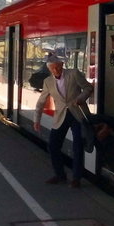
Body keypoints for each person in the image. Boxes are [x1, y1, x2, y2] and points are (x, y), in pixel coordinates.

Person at [33, 52, 93, 187]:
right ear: (49, 69)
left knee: (78, 146)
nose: (56, 70)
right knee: (53, 145)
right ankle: (60, 175)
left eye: (58, 67)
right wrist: (37, 120)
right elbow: (41, 102)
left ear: (62, 65)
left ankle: (76, 178)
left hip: (77, 114)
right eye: (53, 68)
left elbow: (88, 87)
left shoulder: (74, 73)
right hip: (60, 116)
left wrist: (81, 98)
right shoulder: (48, 82)